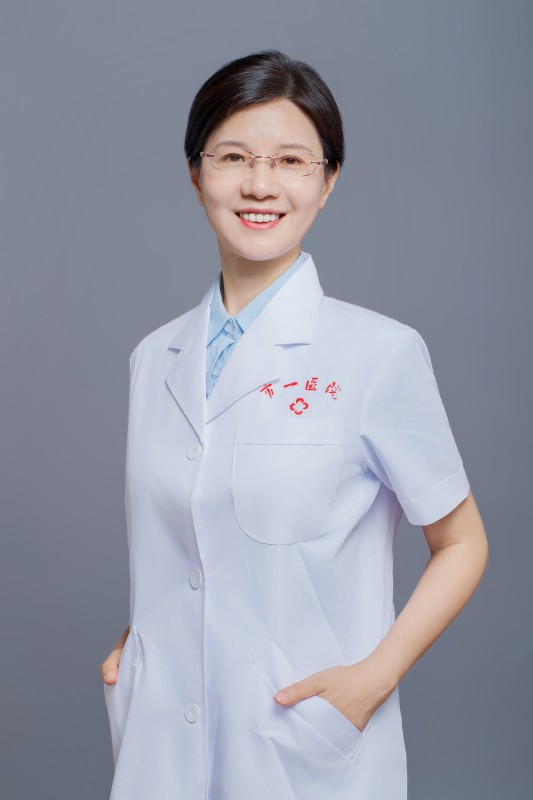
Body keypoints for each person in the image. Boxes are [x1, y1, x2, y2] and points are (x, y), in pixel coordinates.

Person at [100, 50, 488, 800]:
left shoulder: (379, 353)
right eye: (232, 157)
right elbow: (186, 544)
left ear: (327, 180)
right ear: (195, 174)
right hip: (161, 740)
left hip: (300, 745)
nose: (260, 184)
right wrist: (139, 645)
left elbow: (462, 543)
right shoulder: (154, 358)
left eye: (289, 160)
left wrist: (373, 680)